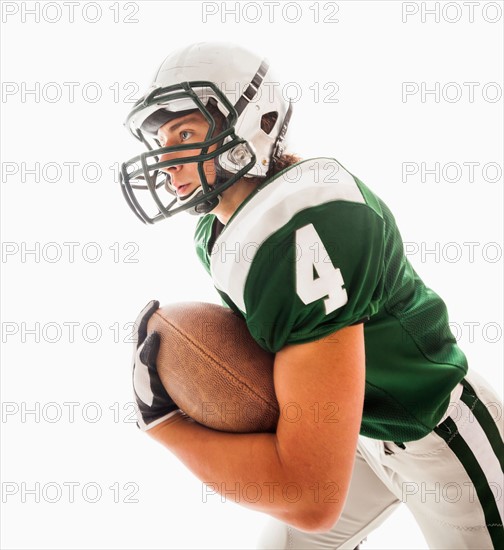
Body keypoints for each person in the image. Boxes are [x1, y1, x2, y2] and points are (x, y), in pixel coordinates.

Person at [121, 42, 503, 549]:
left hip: (437, 436)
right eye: (162, 140)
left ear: (253, 122)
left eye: (185, 134)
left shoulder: (305, 226)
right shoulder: (218, 234)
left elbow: (311, 497)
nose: (166, 160)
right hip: (356, 432)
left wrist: (162, 422)